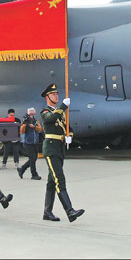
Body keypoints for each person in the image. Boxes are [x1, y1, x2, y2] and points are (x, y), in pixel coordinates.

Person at [40, 83, 84, 223]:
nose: (56, 96)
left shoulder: (61, 113)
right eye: (53, 94)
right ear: (47, 97)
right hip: (51, 149)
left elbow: (67, 127)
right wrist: (63, 106)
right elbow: (50, 119)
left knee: (52, 182)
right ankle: (70, 211)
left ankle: (47, 212)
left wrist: (69, 135)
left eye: (57, 94)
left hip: (59, 148)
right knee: (60, 180)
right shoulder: (45, 111)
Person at [17, 107, 43, 180]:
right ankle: (34, 174)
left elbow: (40, 130)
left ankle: (22, 169)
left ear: (34, 113)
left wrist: (34, 127)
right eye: (29, 113)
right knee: (32, 158)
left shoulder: (36, 121)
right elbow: (21, 131)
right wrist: (25, 124)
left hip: (35, 142)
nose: (31, 114)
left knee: (34, 158)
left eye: (32, 113)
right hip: (27, 142)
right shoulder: (24, 121)